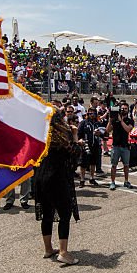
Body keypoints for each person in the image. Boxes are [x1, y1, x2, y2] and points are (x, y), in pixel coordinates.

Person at [33, 113, 81, 264]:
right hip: (57, 178)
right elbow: (75, 154)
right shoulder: (61, 138)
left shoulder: (40, 136)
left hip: (41, 178)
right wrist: (74, 134)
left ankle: (48, 249)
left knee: (47, 213)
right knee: (64, 214)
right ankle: (63, 252)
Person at [107, 101, 134, 190]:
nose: (123, 110)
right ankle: (112, 182)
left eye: (125, 109)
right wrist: (110, 120)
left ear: (128, 110)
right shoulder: (115, 120)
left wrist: (121, 120)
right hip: (115, 145)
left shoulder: (129, 120)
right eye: (122, 108)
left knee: (126, 165)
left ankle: (126, 181)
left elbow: (128, 129)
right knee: (114, 165)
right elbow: (108, 130)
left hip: (125, 146)